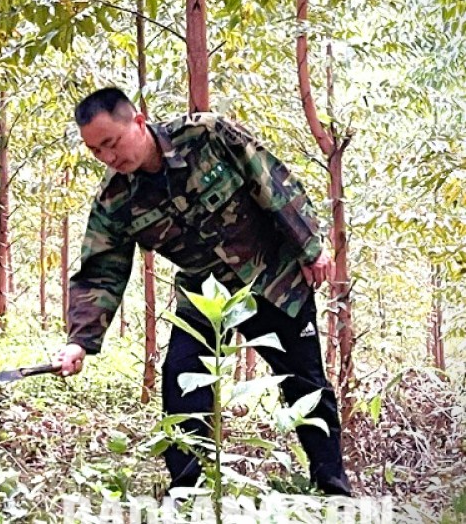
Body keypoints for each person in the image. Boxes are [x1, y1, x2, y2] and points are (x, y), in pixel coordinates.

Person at [54, 87, 351, 496]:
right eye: (96, 151)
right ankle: (187, 496)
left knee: (306, 385)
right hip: (206, 292)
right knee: (182, 384)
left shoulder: (206, 135)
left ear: (138, 122)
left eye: (112, 143)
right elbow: (100, 269)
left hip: (274, 279)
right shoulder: (115, 200)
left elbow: (271, 179)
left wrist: (310, 246)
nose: (108, 157)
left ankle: (333, 491)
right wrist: (80, 342)